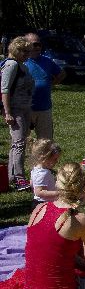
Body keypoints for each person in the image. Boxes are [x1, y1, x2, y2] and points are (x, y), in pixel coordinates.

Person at [1, 36, 34, 191]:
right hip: (15, 109)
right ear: (16, 50)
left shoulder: (22, 65)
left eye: (29, 51)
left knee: (19, 143)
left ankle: (13, 176)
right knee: (19, 143)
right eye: (24, 51)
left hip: (25, 108)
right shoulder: (11, 65)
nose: (27, 54)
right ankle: (18, 178)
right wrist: (7, 112)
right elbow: (5, 90)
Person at [24, 32, 66, 140]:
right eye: (34, 44)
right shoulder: (20, 61)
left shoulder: (47, 61)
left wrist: (51, 84)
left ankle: (43, 158)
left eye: (39, 44)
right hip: (24, 108)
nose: (38, 47)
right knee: (21, 142)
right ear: (26, 45)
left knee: (46, 142)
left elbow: (61, 74)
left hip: (44, 108)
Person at [29, 138, 62, 209]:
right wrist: (59, 193)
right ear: (45, 157)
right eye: (55, 159)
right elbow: (39, 192)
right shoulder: (43, 173)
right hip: (44, 204)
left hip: (38, 202)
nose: (57, 161)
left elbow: (32, 184)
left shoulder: (35, 169)